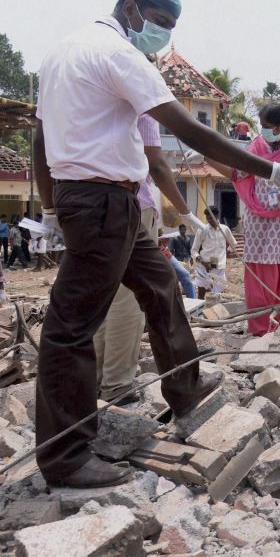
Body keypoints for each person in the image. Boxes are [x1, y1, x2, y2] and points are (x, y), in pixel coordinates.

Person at [31, 0, 280, 489]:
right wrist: (271, 169)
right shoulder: (118, 54)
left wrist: (49, 203)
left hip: (105, 202)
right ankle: (66, 457)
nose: (163, 34)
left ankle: (185, 388)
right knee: (70, 329)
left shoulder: (60, 53)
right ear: (131, 8)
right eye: (162, 22)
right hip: (102, 201)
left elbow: (41, 138)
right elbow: (190, 130)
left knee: (161, 290)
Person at [94, 112, 205, 404]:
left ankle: (97, 380)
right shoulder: (137, 105)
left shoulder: (91, 95)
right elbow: (155, 163)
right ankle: (118, 385)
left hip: (90, 203)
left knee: (104, 297)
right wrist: (185, 212)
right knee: (132, 297)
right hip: (131, 203)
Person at [208, 103, 280, 336]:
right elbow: (235, 172)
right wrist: (205, 156)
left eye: (267, 126)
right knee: (260, 279)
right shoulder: (257, 147)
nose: (263, 131)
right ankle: (260, 331)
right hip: (260, 225)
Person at [191, 206, 238, 298]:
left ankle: (215, 311)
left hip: (219, 266)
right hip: (204, 267)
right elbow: (194, 250)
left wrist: (226, 253)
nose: (210, 220)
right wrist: (203, 262)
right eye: (208, 218)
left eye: (211, 218)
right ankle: (200, 311)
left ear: (217, 216)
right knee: (202, 292)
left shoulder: (225, 229)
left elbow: (233, 243)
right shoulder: (202, 230)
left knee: (219, 294)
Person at [159, 235, 196, 299]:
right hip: (157, 254)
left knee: (185, 276)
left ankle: (192, 301)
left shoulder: (187, 239)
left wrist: (161, 241)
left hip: (166, 253)